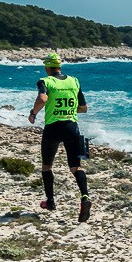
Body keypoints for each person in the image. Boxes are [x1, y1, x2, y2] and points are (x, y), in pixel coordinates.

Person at [28, 53, 92, 223]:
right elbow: (83, 108)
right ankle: (85, 197)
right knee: (76, 167)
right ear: (60, 66)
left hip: (53, 128)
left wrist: (33, 113)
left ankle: (50, 202)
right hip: (72, 127)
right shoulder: (74, 81)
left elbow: (42, 98)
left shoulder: (45, 81)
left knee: (47, 166)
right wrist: (68, 111)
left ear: (47, 67)